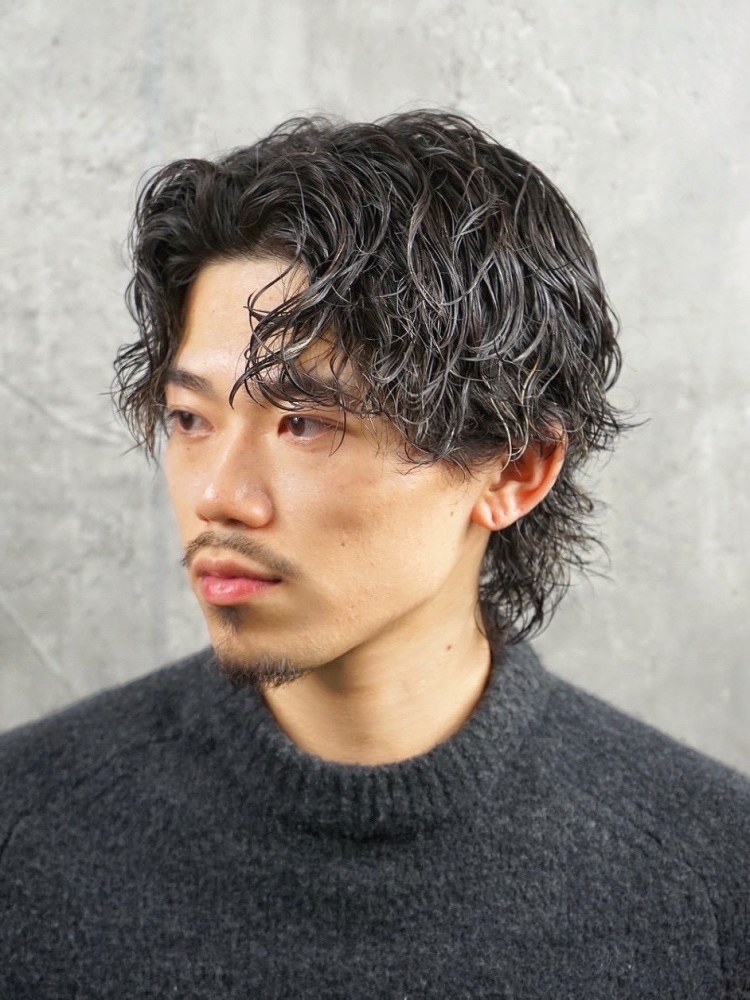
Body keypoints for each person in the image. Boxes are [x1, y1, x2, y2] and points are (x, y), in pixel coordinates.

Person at [1, 110, 748, 999]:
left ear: (514, 469)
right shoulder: (24, 836)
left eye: (304, 423)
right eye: (190, 419)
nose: (218, 496)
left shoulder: (713, 880)